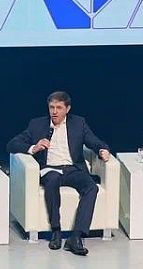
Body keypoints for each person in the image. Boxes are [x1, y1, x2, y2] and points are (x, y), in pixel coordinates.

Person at [7, 91, 111, 256]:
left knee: (92, 187)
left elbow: (94, 141)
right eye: (51, 107)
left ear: (67, 109)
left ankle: (76, 237)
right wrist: (33, 148)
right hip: (50, 168)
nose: (54, 112)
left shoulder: (78, 123)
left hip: (72, 168)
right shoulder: (37, 125)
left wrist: (102, 149)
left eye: (59, 108)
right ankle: (56, 230)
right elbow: (12, 144)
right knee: (52, 180)